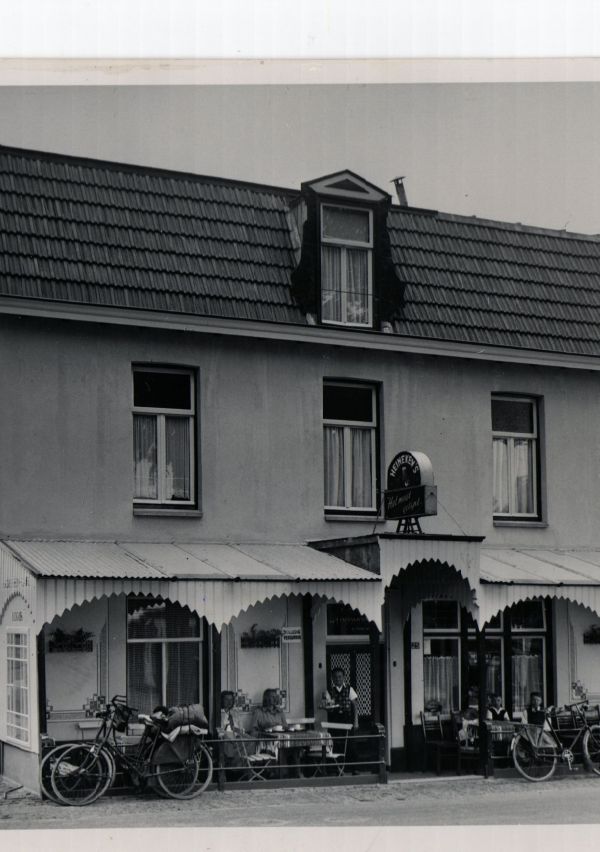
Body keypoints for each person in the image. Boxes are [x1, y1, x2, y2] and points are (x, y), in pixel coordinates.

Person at [323, 668, 360, 774]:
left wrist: (356, 721)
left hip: (347, 719)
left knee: (351, 744)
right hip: (335, 720)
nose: (337, 679)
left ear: (343, 677)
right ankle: (337, 769)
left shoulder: (349, 689)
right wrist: (327, 707)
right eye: (335, 677)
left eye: (340, 676)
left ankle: (354, 769)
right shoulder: (328, 691)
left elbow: (355, 706)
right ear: (332, 679)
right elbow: (327, 706)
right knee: (336, 744)